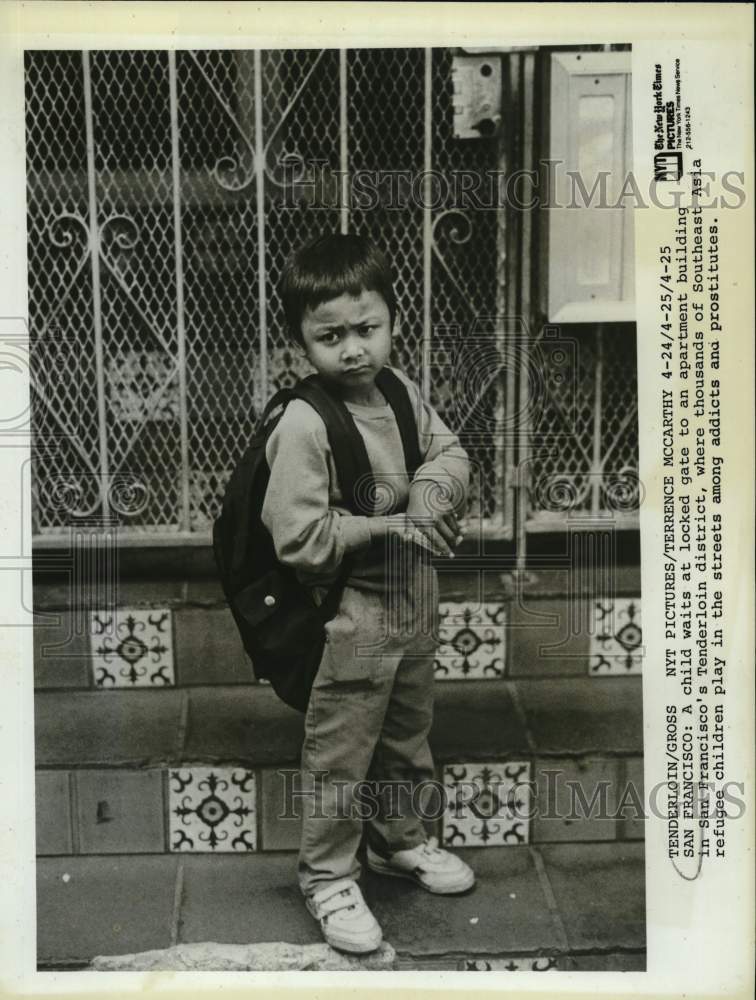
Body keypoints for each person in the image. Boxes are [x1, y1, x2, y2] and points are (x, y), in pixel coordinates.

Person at [262, 232, 475, 954]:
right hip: (351, 609)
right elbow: (297, 537)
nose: (352, 348)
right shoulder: (303, 423)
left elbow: (450, 452)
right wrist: (388, 528)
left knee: (407, 734)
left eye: (367, 328)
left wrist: (429, 497)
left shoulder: (400, 390)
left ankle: (399, 841)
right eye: (330, 336)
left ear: (392, 320)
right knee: (340, 751)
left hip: (414, 602)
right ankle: (326, 876)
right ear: (300, 340)